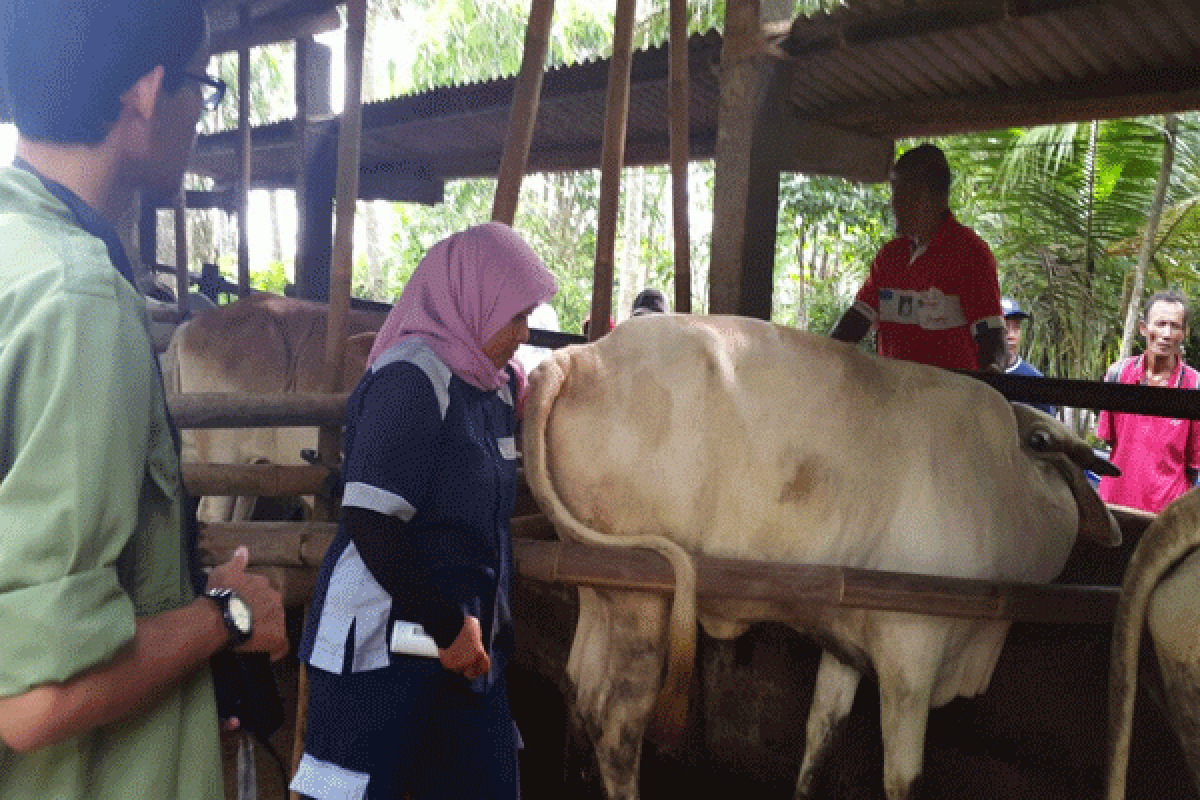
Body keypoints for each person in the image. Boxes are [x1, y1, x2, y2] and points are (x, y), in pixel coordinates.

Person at [0, 1, 287, 798]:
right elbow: (33, 697)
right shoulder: (79, 302)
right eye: (204, 86)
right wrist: (225, 617)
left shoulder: (14, 252)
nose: (202, 111)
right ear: (149, 93)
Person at [290, 222, 557, 800]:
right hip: (381, 650)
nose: (524, 332)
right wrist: (447, 624)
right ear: (473, 299)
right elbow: (371, 521)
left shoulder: (496, 390)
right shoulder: (411, 379)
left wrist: (467, 630)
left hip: (466, 650)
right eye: (514, 315)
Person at [830, 144, 1005, 372]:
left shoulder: (970, 253)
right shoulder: (890, 256)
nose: (892, 203)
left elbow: (991, 337)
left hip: (947, 402)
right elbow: (857, 320)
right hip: (895, 397)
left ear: (923, 195)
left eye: (897, 192)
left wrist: (992, 381)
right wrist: (822, 354)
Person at [1096, 290, 1200, 514]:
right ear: (1143, 328)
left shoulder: (1195, 385)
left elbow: (1194, 463)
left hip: (1165, 517)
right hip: (1114, 505)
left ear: (1184, 333)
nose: (1166, 334)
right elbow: (1110, 439)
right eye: (1160, 324)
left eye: (1174, 326)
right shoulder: (1118, 375)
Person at [1002, 297, 1057, 417]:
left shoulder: (1035, 379)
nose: (1011, 335)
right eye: (1005, 327)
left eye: (1016, 327)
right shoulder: (978, 374)